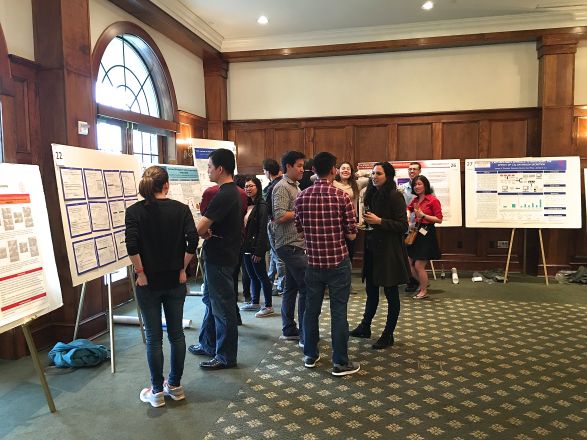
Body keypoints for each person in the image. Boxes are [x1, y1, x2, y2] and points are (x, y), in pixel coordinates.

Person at [125, 165, 198, 407]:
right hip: (175, 280)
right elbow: (193, 240)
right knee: (176, 334)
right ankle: (175, 386)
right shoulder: (181, 209)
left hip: (148, 282)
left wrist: (141, 272)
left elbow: (132, 246)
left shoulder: (134, 211)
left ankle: (156, 391)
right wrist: (182, 268)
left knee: (154, 337)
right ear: (166, 185)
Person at [295, 152, 360, 376]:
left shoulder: (301, 197)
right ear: (333, 170)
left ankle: (310, 355)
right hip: (338, 262)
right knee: (338, 312)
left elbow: (300, 230)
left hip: (313, 262)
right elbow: (352, 235)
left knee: (311, 311)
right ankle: (340, 362)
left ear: (313, 170)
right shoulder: (342, 197)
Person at [191, 148, 243, 370]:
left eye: (210, 166)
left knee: (222, 308)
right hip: (225, 254)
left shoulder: (225, 194)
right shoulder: (235, 192)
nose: (208, 170)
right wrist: (205, 231)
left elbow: (200, 228)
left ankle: (225, 356)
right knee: (213, 303)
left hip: (220, 257)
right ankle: (209, 344)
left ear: (220, 169)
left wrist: (203, 231)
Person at [350, 162, 410, 349]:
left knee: (391, 294)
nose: (374, 177)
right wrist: (366, 224)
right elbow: (371, 221)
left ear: (388, 176)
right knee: (371, 291)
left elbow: (403, 226)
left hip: (389, 252)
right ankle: (365, 326)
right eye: (373, 173)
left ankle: (388, 334)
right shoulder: (372, 193)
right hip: (373, 250)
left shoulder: (395, 195)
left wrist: (379, 221)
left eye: (379, 173)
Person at [272, 150, 307, 343]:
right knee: (306, 288)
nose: (303, 169)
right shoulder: (282, 187)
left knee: (291, 288)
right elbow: (279, 216)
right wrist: (301, 210)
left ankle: (289, 329)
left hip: (296, 244)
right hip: (289, 245)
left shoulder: (296, 186)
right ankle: (305, 333)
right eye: (299, 165)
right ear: (288, 167)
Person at [240, 176, 274, 317]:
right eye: (246, 186)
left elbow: (262, 230)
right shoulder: (247, 204)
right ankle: (255, 302)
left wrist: (259, 251)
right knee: (252, 276)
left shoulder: (262, 205)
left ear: (258, 187)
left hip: (256, 247)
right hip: (246, 246)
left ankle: (268, 305)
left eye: (251, 186)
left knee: (262, 276)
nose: (248, 188)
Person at [406, 175, 443, 299]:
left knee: (419, 265)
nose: (417, 186)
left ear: (425, 185)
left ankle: (423, 290)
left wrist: (423, 215)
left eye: (419, 184)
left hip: (427, 233)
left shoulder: (433, 200)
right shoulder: (416, 200)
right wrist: (408, 215)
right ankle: (423, 284)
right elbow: (409, 208)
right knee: (409, 262)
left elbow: (439, 219)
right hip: (416, 232)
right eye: (415, 184)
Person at [333, 162, 369, 265]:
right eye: (343, 168)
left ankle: (348, 270)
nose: (345, 170)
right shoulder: (333, 183)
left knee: (350, 248)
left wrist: (361, 173)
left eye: (348, 169)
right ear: (338, 170)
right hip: (336, 220)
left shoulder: (356, 184)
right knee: (337, 248)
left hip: (351, 220)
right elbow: (314, 178)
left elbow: (372, 178)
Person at [262, 158, 285, 296]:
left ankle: (282, 286)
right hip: (276, 223)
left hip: (275, 223)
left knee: (278, 256)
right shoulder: (280, 183)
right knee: (274, 254)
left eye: (264, 171)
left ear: (268, 172)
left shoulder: (275, 186)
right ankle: (269, 281)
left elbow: (270, 208)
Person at [399, 162, 422, 293]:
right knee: (407, 256)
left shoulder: (426, 186)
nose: (411, 171)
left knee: (417, 256)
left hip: (421, 226)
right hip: (407, 227)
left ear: (419, 171)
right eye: (410, 169)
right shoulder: (403, 188)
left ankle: (421, 281)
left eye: (414, 169)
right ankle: (412, 281)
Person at [233, 174, 251, 304]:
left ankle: (234, 295)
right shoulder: (247, 199)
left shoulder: (232, 197)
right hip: (246, 236)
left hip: (234, 237)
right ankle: (247, 295)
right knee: (246, 269)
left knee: (234, 270)